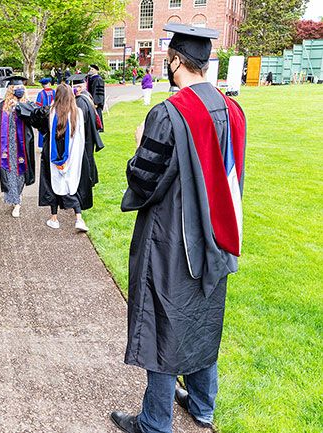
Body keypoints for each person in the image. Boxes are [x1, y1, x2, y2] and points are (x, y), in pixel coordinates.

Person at [110, 23, 247, 433]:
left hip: (171, 241)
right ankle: (203, 406)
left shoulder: (168, 114)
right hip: (217, 238)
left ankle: (154, 422)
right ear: (205, 62)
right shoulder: (233, 110)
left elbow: (143, 182)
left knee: (163, 324)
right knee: (203, 319)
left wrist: (138, 148)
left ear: (174, 62)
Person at [32, 83, 91, 232]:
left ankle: (54, 218)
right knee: (71, 185)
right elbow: (82, 137)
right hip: (73, 156)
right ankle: (79, 218)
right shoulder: (78, 112)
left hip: (53, 154)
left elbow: (36, 121)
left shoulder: (50, 112)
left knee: (54, 184)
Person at [0, 76, 37, 218]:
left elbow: (34, 119)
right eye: (16, 88)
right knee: (9, 173)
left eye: (21, 88)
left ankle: (17, 202)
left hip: (23, 145)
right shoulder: (2, 106)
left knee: (20, 172)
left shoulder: (27, 104)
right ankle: (15, 199)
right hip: (7, 146)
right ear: (10, 89)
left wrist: (20, 107)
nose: (19, 90)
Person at [70, 74, 104, 189]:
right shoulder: (87, 96)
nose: (76, 89)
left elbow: (80, 121)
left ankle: (87, 183)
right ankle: (90, 180)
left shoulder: (80, 101)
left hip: (85, 136)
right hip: (89, 134)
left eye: (78, 87)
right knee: (89, 158)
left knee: (85, 161)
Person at [35, 77, 56, 150]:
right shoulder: (54, 92)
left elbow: (37, 106)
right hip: (53, 114)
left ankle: (42, 146)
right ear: (49, 84)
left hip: (43, 115)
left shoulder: (40, 94)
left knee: (42, 130)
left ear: (42, 85)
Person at [86, 64, 105, 132]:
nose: (91, 70)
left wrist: (96, 102)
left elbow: (98, 92)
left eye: (92, 69)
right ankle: (95, 127)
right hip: (92, 99)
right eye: (90, 69)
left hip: (96, 101)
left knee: (98, 113)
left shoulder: (98, 79)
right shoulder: (91, 78)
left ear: (96, 70)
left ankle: (100, 128)